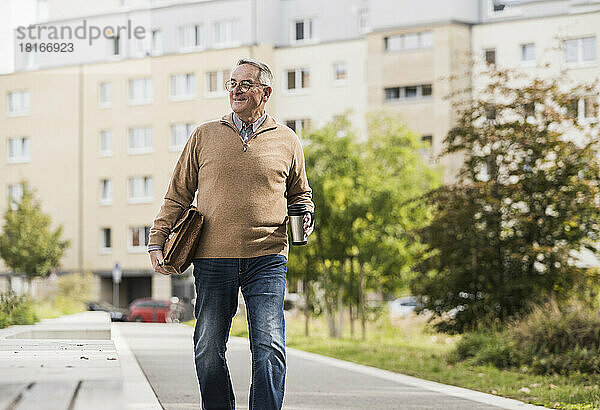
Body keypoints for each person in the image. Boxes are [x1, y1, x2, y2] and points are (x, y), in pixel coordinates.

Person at [147, 58, 314, 410]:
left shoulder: (287, 140)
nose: (236, 90)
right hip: (212, 257)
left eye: (245, 84)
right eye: (232, 84)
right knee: (208, 347)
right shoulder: (205, 135)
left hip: (267, 257)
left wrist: (306, 214)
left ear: (265, 93)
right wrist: (157, 238)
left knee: (269, 345)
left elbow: (300, 194)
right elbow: (178, 193)